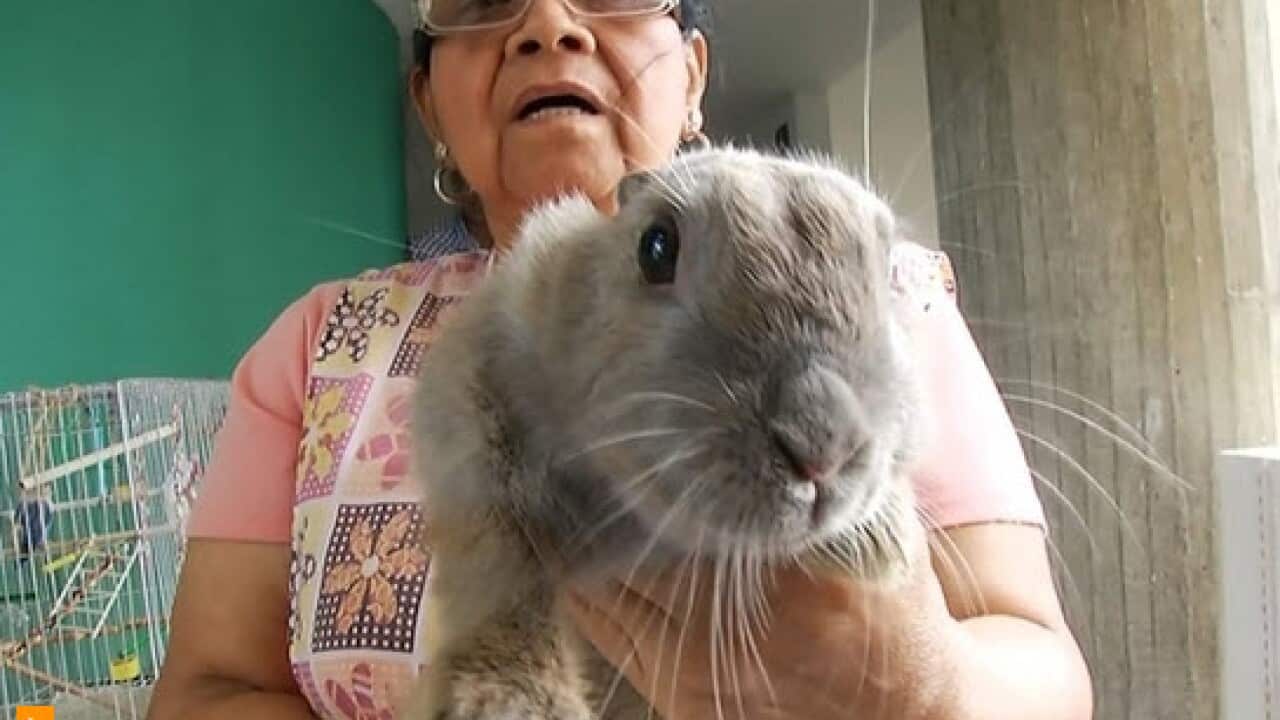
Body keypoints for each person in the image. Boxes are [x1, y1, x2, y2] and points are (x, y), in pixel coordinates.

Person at [146, 1, 1093, 718]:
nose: (550, 24)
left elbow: (1046, 673)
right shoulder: (320, 344)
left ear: (693, 73)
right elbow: (206, 689)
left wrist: (910, 681)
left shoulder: (903, 302)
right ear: (429, 99)